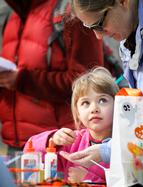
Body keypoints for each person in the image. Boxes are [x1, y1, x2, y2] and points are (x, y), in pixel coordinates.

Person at [60, 0, 143, 186]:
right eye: (90, 28)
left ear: (123, 2)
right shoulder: (129, 39)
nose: (98, 36)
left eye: (100, 25)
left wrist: (111, 150)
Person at [0, 0, 107, 154]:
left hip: (59, 147)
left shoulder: (71, 11)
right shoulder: (12, 15)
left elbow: (88, 83)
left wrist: (23, 80)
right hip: (15, 147)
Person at [24, 67, 119, 183]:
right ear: (78, 113)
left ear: (117, 105)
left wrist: (88, 180)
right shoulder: (72, 141)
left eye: (102, 100)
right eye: (86, 103)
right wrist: (53, 140)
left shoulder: (123, 146)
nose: (94, 109)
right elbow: (29, 152)